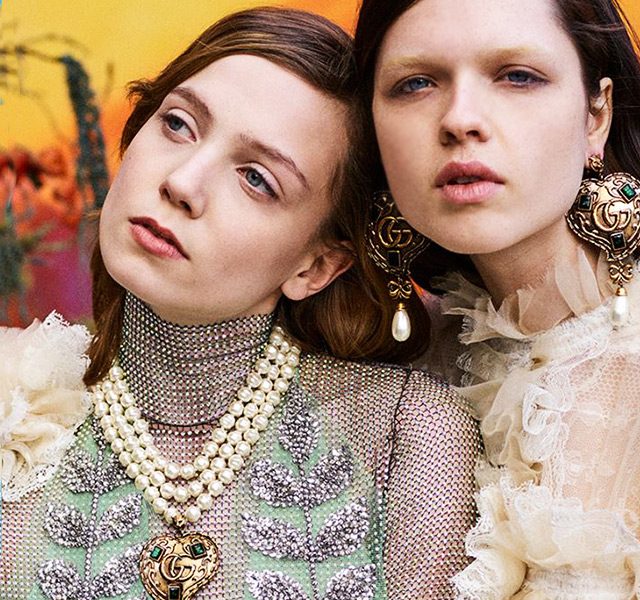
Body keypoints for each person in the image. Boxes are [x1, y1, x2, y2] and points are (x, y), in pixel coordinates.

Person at [0, 8, 480, 600]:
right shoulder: (13, 404)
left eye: (257, 179)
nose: (182, 182)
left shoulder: (408, 431)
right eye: (178, 124)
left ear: (316, 266)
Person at [353, 0, 640, 597]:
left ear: (596, 115)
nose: (460, 120)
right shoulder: (384, 372)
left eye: (517, 76)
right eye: (416, 84)